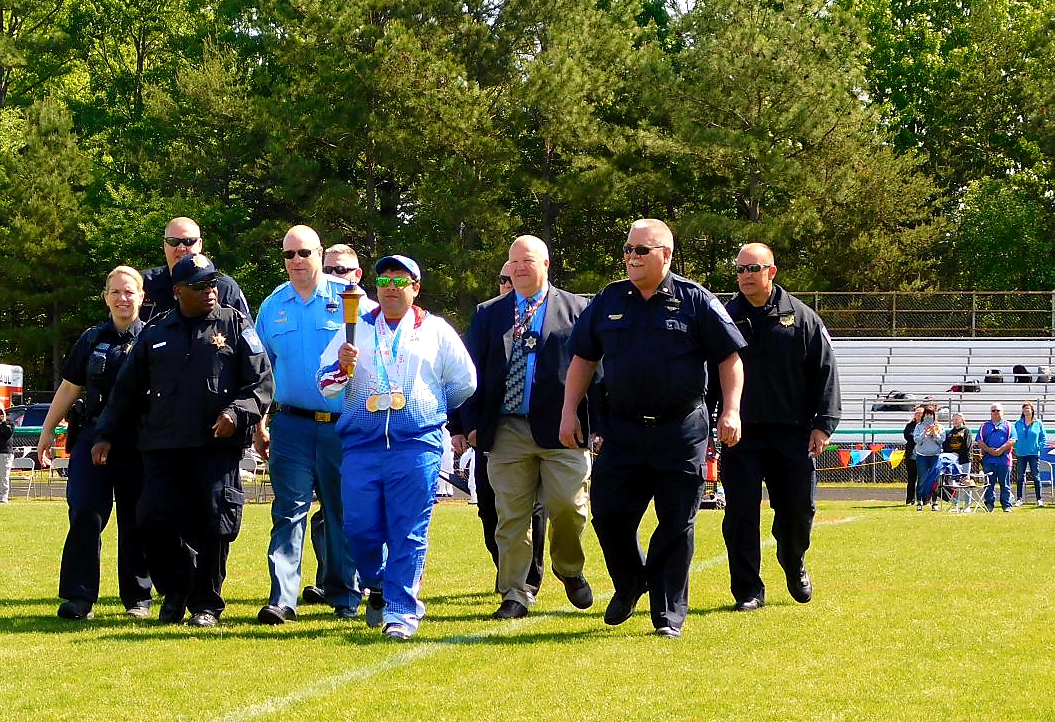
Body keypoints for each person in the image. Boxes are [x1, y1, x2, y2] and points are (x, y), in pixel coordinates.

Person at [560, 219, 745, 639]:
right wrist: (569, 412)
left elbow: (729, 359)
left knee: (676, 522)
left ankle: (667, 614)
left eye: (641, 250)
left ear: (666, 254)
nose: (631, 257)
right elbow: (583, 359)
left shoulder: (695, 300)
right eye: (627, 249)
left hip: (680, 431)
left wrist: (731, 410)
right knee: (609, 513)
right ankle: (630, 582)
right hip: (623, 430)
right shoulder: (609, 299)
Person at [88, 253, 273, 626]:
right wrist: (106, 434)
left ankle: (206, 604)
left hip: (215, 448)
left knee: (215, 524)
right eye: (199, 286)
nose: (210, 291)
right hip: (163, 448)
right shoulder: (156, 334)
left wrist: (236, 414)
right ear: (178, 291)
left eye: (212, 283)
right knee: (152, 520)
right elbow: (126, 391)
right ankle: (176, 591)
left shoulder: (235, 325)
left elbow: (261, 382)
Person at [317, 255, 476, 640]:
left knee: (408, 529)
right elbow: (325, 385)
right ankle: (377, 583)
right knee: (358, 527)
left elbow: (465, 382)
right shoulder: (354, 327)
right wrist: (341, 367)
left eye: (400, 281)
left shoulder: (435, 330)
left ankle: (402, 612)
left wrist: (429, 405)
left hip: (416, 445)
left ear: (415, 288)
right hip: (362, 444)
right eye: (385, 280)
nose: (391, 287)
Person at [459, 235, 596, 619]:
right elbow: (470, 373)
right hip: (506, 430)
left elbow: (597, 371)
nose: (520, 268)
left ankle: (568, 568)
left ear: (546, 264)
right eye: (514, 261)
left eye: (528, 260)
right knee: (511, 517)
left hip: (564, 428)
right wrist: (470, 424)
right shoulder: (489, 313)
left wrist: (595, 425)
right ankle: (515, 594)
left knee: (569, 507)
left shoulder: (578, 309)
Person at [252, 227, 375, 625]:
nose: (296, 261)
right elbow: (262, 371)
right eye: (289, 254)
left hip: (344, 425)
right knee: (288, 511)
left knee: (342, 512)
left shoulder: (352, 299)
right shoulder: (273, 305)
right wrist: (260, 422)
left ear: (320, 254)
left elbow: (381, 350)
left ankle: (345, 595)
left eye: (304, 252)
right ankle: (283, 599)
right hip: (291, 425)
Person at [718, 243, 841, 610]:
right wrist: (709, 420)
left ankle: (792, 558)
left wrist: (823, 425)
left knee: (798, 511)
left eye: (753, 269)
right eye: (740, 269)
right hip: (741, 434)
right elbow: (709, 372)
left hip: (792, 433)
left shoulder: (802, 318)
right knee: (740, 514)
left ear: (771, 272)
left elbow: (825, 371)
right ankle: (747, 590)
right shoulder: (724, 317)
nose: (745, 276)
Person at [36, 266, 153, 620]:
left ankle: (138, 599)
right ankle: (79, 597)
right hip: (91, 438)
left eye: (129, 292)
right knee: (85, 511)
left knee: (136, 519)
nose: (122, 298)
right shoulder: (91, 339)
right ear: (105, 297)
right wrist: (46, 431)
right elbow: (70, 387)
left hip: (138, 442)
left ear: (142, 296)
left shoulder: (154, 339)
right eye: (115, 292)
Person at [301, 243, 368, 607]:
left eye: (341, 270)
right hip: (313, 423)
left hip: (359, 426)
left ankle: (363, 582)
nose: (334, 276)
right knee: (324, 514)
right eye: (329, 270)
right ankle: (331, 580)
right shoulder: (309, 305)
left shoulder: (372, 315)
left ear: (358, 274)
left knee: (354, 508)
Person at [140, 216, 250, 323]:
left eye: (188, 241)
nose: (181, 248)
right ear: (165, 245)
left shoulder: (226, 287)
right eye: (173, 241)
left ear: (200, 245)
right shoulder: (142, 284)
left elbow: (246, 329)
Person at [977, 402, 1015, 513]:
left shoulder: (1008, 425)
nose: (995, 413)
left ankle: (1006, 505)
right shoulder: (984, 426)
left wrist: (1000, 450)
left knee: (1005, 484)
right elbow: (979, 441)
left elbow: (1012, 440)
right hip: (989, 460)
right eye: (993, 411)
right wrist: (990, 451)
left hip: (1004, 460)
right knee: (989, 484)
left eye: (998, 410)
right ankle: (989, 505)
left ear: (1002, 412)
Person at [1012, 400, 1047, 507]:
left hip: (1034, 454)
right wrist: (1016, 447)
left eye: (1028, 408)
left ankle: (1039, 499)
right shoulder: (1018, 423)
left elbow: (1043, 438)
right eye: (1024, 408)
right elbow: (1013, 437)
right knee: (1020, 477)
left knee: (1036, 476)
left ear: (1032, 410)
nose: (1026, 410)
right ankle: (1019, 499)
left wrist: (1038, 447)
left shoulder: (1038, 423)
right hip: (1021, 453)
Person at [911, 405, 944, 511]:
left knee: (935, 479)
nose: (928, 417)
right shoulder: (919, 426)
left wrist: (935, 433)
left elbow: (941, 441)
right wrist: (924, 432)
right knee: (922, 479)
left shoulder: (939, 426)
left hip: (935, 456)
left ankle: (934, 502)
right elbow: (917, 441)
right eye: (926, 415)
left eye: (931, 415)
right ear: (923, 416)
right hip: (922, 456)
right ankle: (919, 501)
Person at [901, 405, 922, 505]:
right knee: (911, 479)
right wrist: (919, 438)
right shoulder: (910, 425)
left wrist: (919, 438)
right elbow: (907, 436)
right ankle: (910, 499)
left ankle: (922, 499)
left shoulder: (926, 425)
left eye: (920, 413)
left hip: (924, 456)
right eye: (917, 413)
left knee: (923, 479)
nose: (918, 415)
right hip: (912, 456)